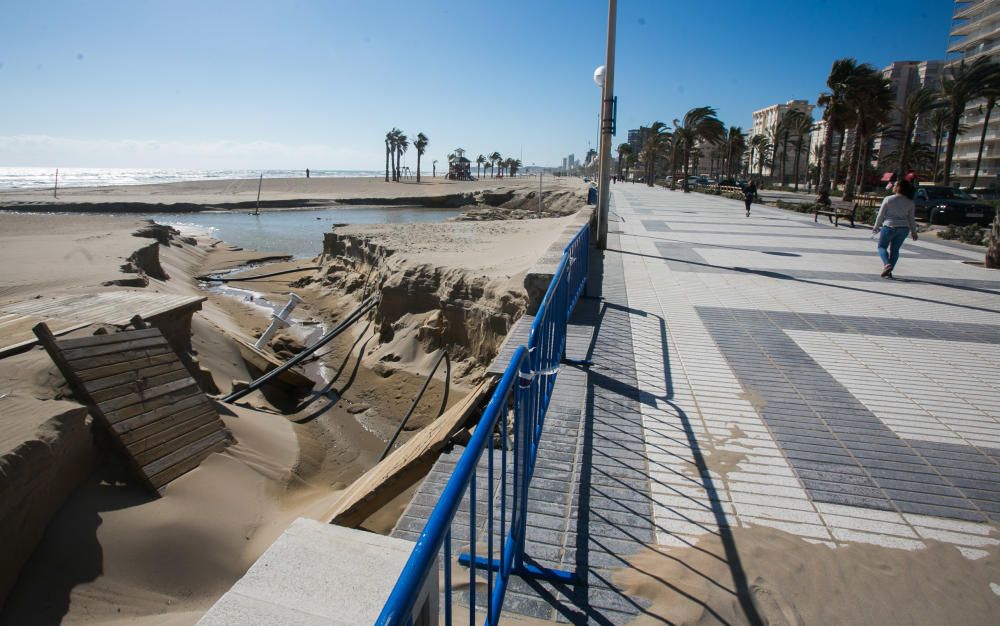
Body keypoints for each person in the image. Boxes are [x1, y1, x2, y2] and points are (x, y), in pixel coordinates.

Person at [873, 179, 918, 279]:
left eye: (895, 185)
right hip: (903, 229)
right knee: (895, 250)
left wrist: (876, 226)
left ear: (899, 187)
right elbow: (911, 218)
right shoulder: (910, 202)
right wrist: (914, 232)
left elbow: (881, 215)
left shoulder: (889, 199)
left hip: (889, 226)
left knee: (881, 247)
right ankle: (889, 270)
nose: (893, 186)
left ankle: (887, 264)